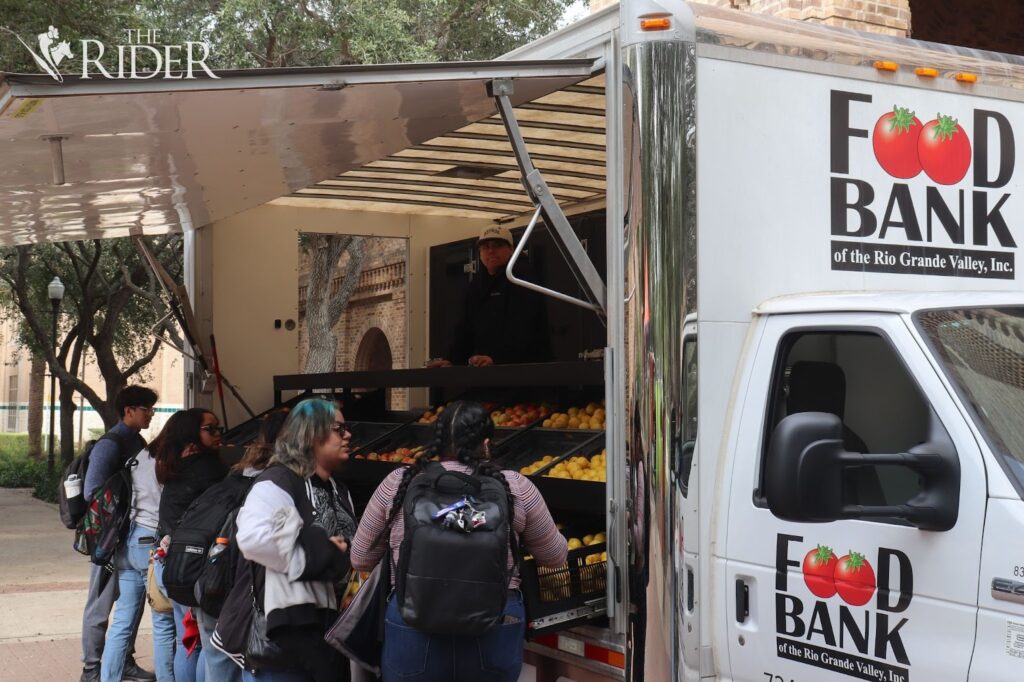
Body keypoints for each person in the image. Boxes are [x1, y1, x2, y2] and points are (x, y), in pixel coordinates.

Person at [350, 400, 568, 681]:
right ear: (486, 444)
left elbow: (360, 557)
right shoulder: (515, 486)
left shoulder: (398, 483)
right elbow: (554, 557)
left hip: (414, 625)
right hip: (494, 627)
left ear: (436, 442)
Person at [235, 398, 355, 682]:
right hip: (286, 644)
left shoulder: (338, 489)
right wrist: (318, 553)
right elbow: (252, 538)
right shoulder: (278, 481)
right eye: (339, 429)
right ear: (311, 434)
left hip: (327, 634)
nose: (348, 435)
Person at [80, 385, 159, 682]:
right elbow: (92, 492)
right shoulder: (111, 444)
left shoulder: (136, 441)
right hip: (109, 540)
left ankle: (123, 662)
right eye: (147, 409)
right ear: (129, 411)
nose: (151, 414)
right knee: (100, 605)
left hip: (131, 536)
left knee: (131, 605)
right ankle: (91, 669)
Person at [154, 408, 229, 682]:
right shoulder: (208, 469)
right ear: (191, 434)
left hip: (169, 563)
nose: (218, 434)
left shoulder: (173, 466)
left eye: (219, 428)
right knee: (204, 644)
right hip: (194, 567)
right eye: (210, 429)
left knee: (186, 641)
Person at [101, 428, 177, 682]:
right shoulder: (169, 461)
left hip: (128, 539)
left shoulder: (141, 456)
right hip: (151, 540)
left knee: (123, 619)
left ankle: (108, 678)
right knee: (163, 620)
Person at [428, 225, 551, 368]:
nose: (491, 251)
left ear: (511, 249)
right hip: (489, 369)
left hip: (525, 370)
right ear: (480, 252)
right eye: (486, 247)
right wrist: (452, 361)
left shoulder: (523, 278)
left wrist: (497, 358)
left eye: (497, 245)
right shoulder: (477, 284)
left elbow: (524, 326)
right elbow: (465, 327)